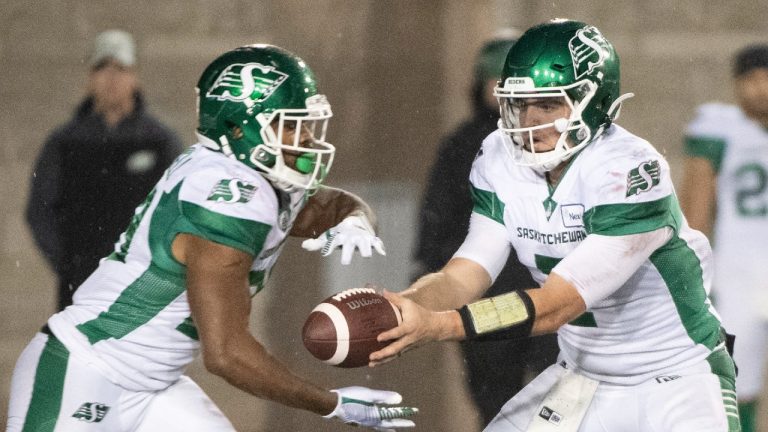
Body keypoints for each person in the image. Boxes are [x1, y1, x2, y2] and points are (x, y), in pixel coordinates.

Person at [8, 44, 415, 431]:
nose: (307, 137)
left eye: (307, 123)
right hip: (86, 371)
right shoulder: (226, 197)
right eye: (290, 124)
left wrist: (355, 221)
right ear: (238, 128)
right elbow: (227, 355)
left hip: (154, 385)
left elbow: (330, 205)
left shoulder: (250, 175)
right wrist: (331, 403)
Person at [370, 19, 741, 431]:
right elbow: (466, 273)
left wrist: (440, 325)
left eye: (547, 105)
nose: (529, 121)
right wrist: (408, 306)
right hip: (581, 375)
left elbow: (558, 304)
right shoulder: (498, 157)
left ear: (594, 102)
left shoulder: (629, 169)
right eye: (520, 104)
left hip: (676, 375)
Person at [413, 31, 558, 425]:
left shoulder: (558, 145)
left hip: (551, 291)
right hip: (487, 295)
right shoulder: (464, 146)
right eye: (494, 83)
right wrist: (431, 280)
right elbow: (440, 214)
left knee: (562, 397)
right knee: (497, 402)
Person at [26, 29, 182, 311]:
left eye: (121, 68)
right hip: (81, 287)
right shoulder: (64, 142)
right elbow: (40, 210)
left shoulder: (160, 142)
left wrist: (156, 266)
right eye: (102, 68)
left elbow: (180, 209)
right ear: (89, 78)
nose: (111, 78)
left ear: (134, 77)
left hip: (142, 288)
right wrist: (70, 264)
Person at [679, 43, 768, 432]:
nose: (762, 88)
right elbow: (696, 214)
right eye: (752, 79)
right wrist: (697, 278)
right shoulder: (720, 128)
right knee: (733, 385)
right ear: (736, 84)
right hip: (738, 276)